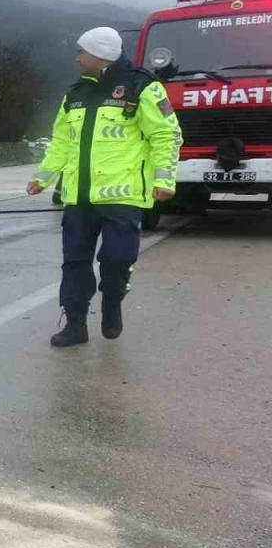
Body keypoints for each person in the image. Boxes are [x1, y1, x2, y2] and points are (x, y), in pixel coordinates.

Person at [27, 27, 182, 347]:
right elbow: (60, 143)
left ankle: (113, 300)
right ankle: (75, 324)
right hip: (79, 197)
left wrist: (164, 180)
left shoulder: (143, 87)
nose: (77, 58)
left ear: (101, 55)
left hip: (122, 196)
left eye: (81, 51)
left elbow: (167, 135)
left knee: (116, 259)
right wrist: (43, 178)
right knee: (74, 262)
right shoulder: (74, 95)